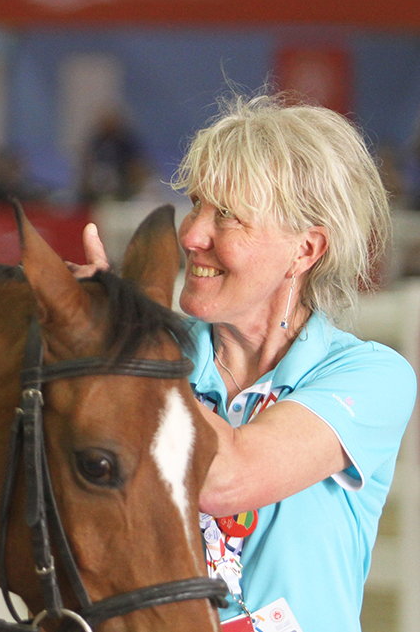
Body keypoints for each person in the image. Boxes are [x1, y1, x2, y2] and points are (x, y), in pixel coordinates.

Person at [74, 93, 415, 632]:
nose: (191, 235)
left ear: (305, 250)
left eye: (227, 216)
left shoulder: (371, 376)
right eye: (197, 205)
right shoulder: (158, 355)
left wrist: (118, 345)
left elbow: (228, 478)